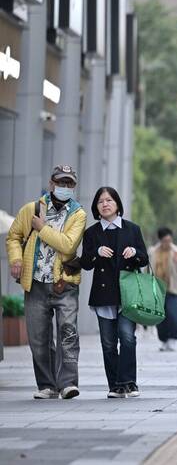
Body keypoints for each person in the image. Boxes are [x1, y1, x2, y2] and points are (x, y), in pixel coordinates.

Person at [5, 165, 87, 399]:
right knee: (38, 338)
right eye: (60, 182)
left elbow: (68, 245)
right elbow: (13, 237)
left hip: (64, 283)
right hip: (35, 283)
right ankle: (47, 385)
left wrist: (42, 228)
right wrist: (16, 259)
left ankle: (68, 383)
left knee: (68, 332)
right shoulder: (31, 209)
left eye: (69, 183)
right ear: (51, 184)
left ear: (74, 186)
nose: (64, 187)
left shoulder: (78, 214)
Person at [79, 186, 149, 398]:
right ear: (96, 207)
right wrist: (96, 252)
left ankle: (129, 382)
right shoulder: (91, 233)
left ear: (117, 204)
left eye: (109, 200)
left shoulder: (132, 229)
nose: (105, 204)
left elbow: (144, 259)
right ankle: (115, 386)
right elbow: (85, 263)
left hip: (128, 293)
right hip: (103, 295)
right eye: (100, 201)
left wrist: (134, 252)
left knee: (127, 338)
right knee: (108, 343)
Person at [149, 227, 177, 352]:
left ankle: (173, 338)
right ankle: (164, 340)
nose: (168, 243)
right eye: (165, 241)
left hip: (173, 288)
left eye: (169, 240)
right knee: (160, 317)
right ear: (160, 240)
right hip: (157, 289)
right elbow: (148, 269)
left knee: (173, 315)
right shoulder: (153, 251)